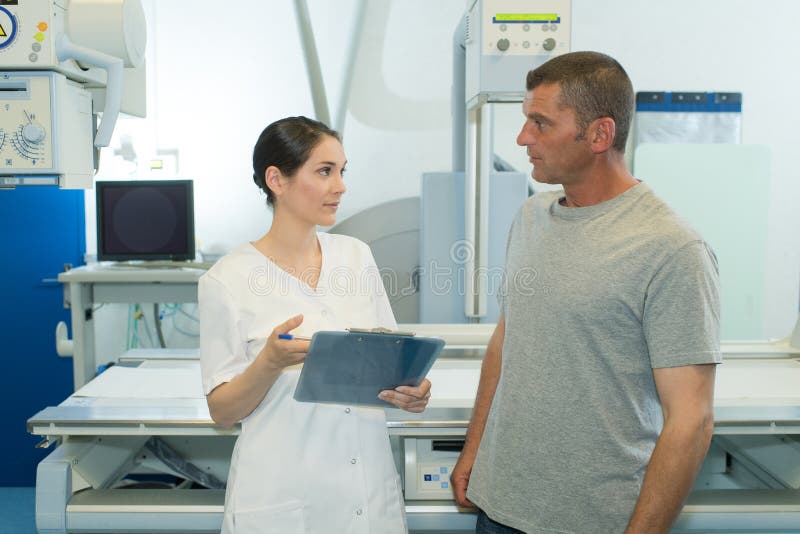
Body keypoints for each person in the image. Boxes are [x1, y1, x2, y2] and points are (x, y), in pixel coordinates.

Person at [450, 51, 720, 533]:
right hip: (499, 504)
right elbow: (507, 339)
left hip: (592, 519)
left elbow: (691, 421)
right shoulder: (532, 217)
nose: (522, 138)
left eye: (540, 123)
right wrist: (474, 452)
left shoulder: (670, 248)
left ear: (600, 134)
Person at [199, 116, 431, 534]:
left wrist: (410, 391)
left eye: (342, 171)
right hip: (283, 497)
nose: (340, 185)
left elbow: (389, 362)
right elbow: (222, 412)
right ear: (277, 180)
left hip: (367, 494)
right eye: (324, 171)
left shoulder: (356, 256)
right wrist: (268, 362)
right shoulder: (226, 280)